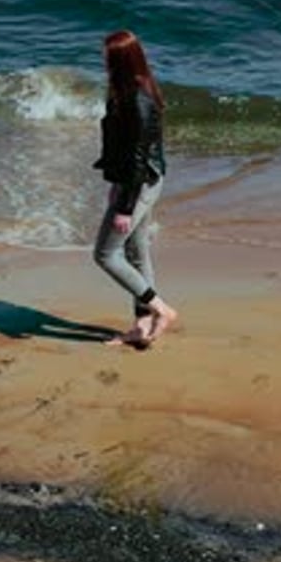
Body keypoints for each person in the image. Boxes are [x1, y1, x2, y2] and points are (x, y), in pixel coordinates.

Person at [93, 29, 177, 348]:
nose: (102, 59)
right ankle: (141, 328)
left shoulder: (138, 100)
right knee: (137, 251)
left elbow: (139, 159)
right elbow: (121, 147)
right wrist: (115, 183)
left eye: (107, 55)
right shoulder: (124, 91)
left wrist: (126, 206)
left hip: (141, 183)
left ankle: (161, 309)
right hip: (132, 181)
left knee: (105, 254)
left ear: (121, 60)